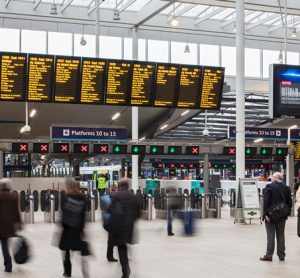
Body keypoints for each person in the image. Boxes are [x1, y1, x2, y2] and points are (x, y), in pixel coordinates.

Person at [108, 179, 141, 278]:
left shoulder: (116, 195)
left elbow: (110, 210)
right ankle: (126, 268)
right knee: (124, 247)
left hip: (118, 227)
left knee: (122, 249)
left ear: (119, 185)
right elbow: (138, 214)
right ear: (128, 186)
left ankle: (125, 271)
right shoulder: (134, 197)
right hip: (129, 227)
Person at [59, 178, 89, 277]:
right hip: (78, 229)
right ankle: (85, 272)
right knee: (81, 253)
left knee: (66, 252)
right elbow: (84, 216)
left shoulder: (66, 198)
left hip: (67, 229)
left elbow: (63, 215)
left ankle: (67, 272)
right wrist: (83, 229)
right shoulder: (83, 198)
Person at [260, 172, 292, 262]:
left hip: (271, 216)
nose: (271, 178)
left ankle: (269, 255)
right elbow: (289, 203)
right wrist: (285, 213)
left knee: (270, 235)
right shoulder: (287, 188)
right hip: (282, 216)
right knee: (281, 235)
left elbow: (266, 202)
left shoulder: (269, 187)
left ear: (275, 178)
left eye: (272, 177)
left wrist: (265, 214)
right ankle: (281, 255)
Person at [0, 178, 21, 273]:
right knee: (6, 243)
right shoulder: (14, 196)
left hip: (1, 224)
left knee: (4, 244)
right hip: (10, 224)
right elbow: (17, 211)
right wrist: (19, 223)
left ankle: (8, 265)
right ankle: (9, 262)